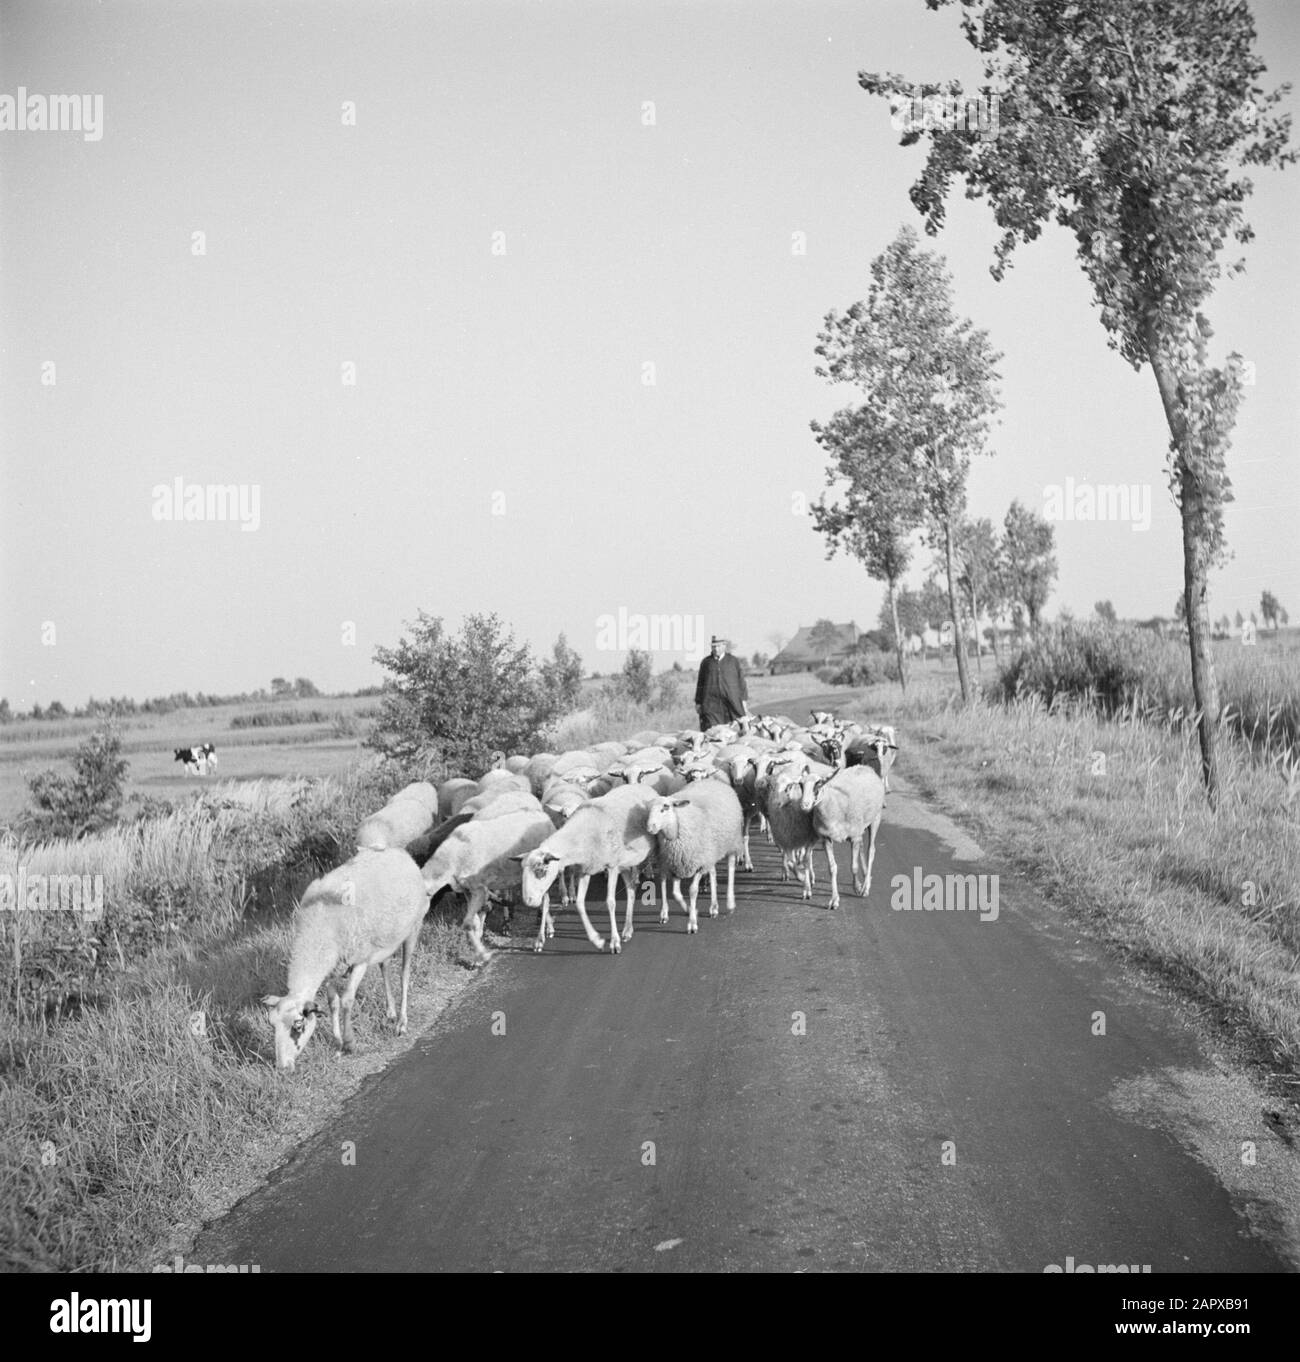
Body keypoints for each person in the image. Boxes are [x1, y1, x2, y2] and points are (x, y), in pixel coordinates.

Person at [695, 636, 749, 730]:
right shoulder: (706, 662)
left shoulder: (733, 661)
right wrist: (698, 702)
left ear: (724, 646)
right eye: (713, 646)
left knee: (736, 732)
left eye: (718, 646)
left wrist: (743, 700)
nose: (715, 649)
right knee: (713, 733)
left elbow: (741, 681)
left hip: (732, 703)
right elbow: (700, 683)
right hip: (712, 704)